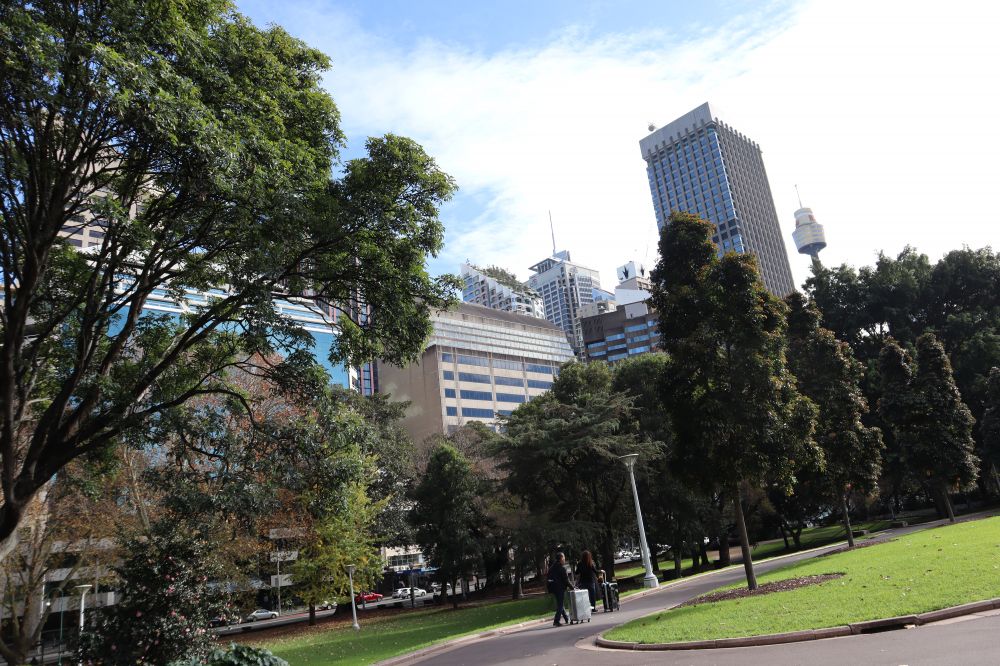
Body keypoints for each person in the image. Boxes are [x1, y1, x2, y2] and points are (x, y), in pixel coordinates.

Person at [546, 551, 571, 626]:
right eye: (564, 557)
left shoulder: (552, 568)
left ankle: (566, 619)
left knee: (560, 603)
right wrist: (573, 587)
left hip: (553, 588)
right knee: (560, 605)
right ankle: (556, 621)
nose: (564, 559)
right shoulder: (562, 568)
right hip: (560, 588)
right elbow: (566, 581)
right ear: (561, 558)